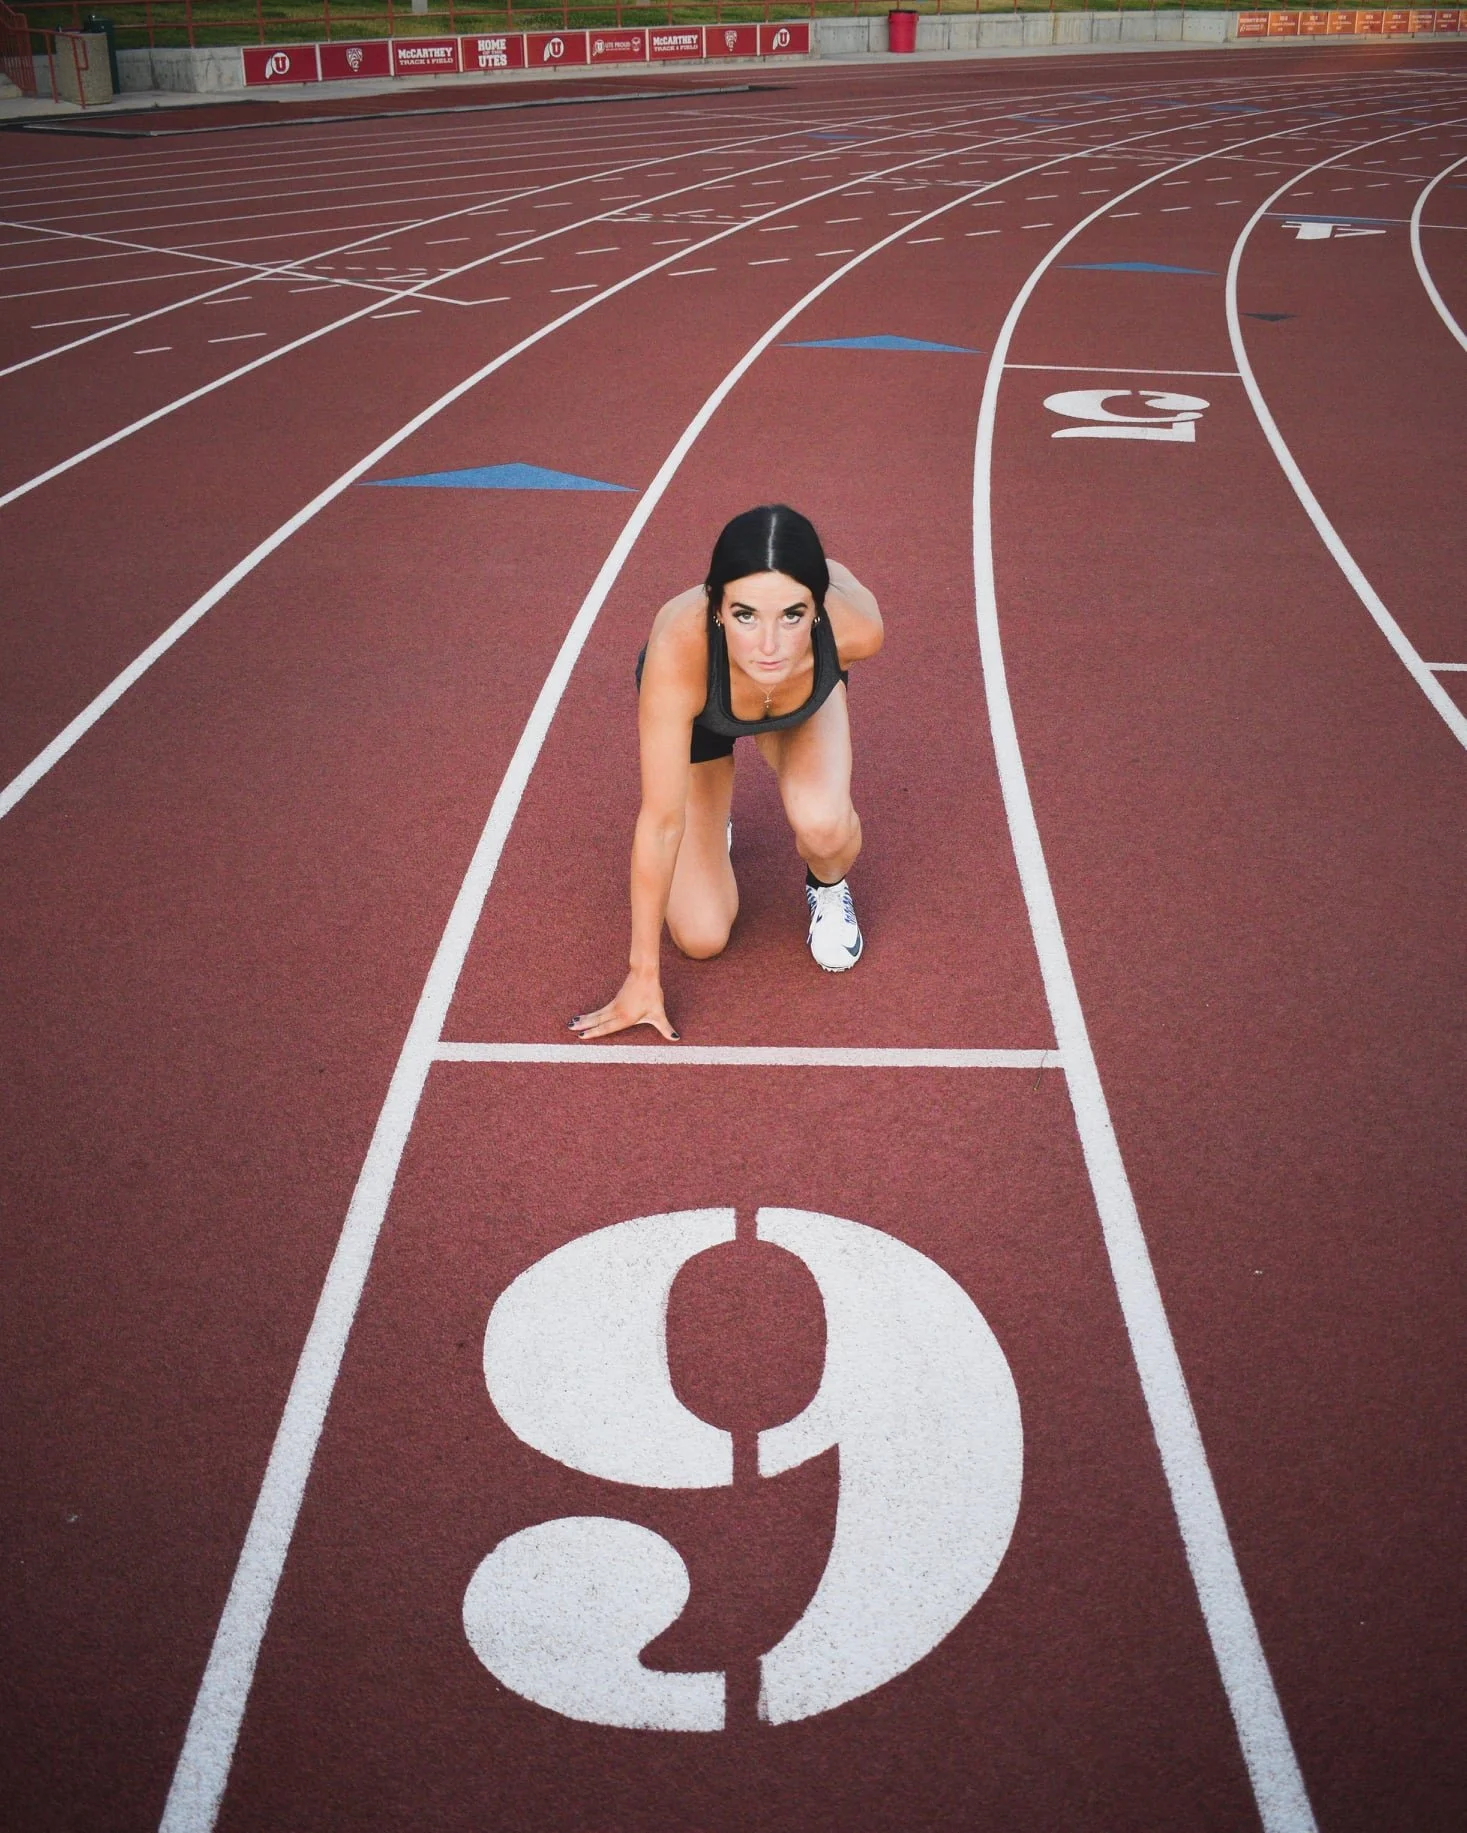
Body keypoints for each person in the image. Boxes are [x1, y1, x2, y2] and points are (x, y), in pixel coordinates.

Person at [570, 503, 882, 1042]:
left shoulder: (857, 630)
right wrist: (643, 976)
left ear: (817, 608)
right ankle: (712, 824)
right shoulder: (679, 650)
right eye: (745, 615)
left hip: (801, 699)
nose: (768, 645)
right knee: (701, 936)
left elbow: (828, 589)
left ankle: (826, 889)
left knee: (824, 823)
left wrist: (797, 567)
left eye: (792, 614)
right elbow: (661, 821)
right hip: (708, 710)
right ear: (717, 608)